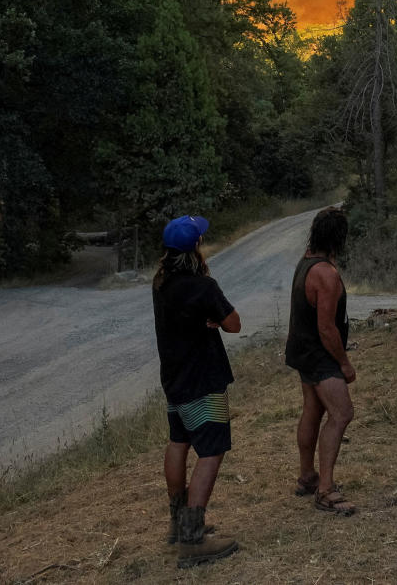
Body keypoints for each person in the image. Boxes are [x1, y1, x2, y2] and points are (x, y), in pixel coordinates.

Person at [152, 215, 241, 568]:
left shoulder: (160, 283)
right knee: (212, 449)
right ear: (197, 248)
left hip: (174, 379)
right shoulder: (204, 287)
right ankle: (193, 538)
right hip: (203, 379)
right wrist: (216, 320)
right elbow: (234, 324)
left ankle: (177, 524)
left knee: (179, 443)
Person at [285, 206, 356, 516]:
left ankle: (307, 477)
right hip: (319, 355)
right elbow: (327, 328)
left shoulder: (306, 261)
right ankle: (325, 490)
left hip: (302, 351)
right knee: (341, 413)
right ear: (339, 239)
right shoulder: (326, 274)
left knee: (313, 411)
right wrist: (344, 363)